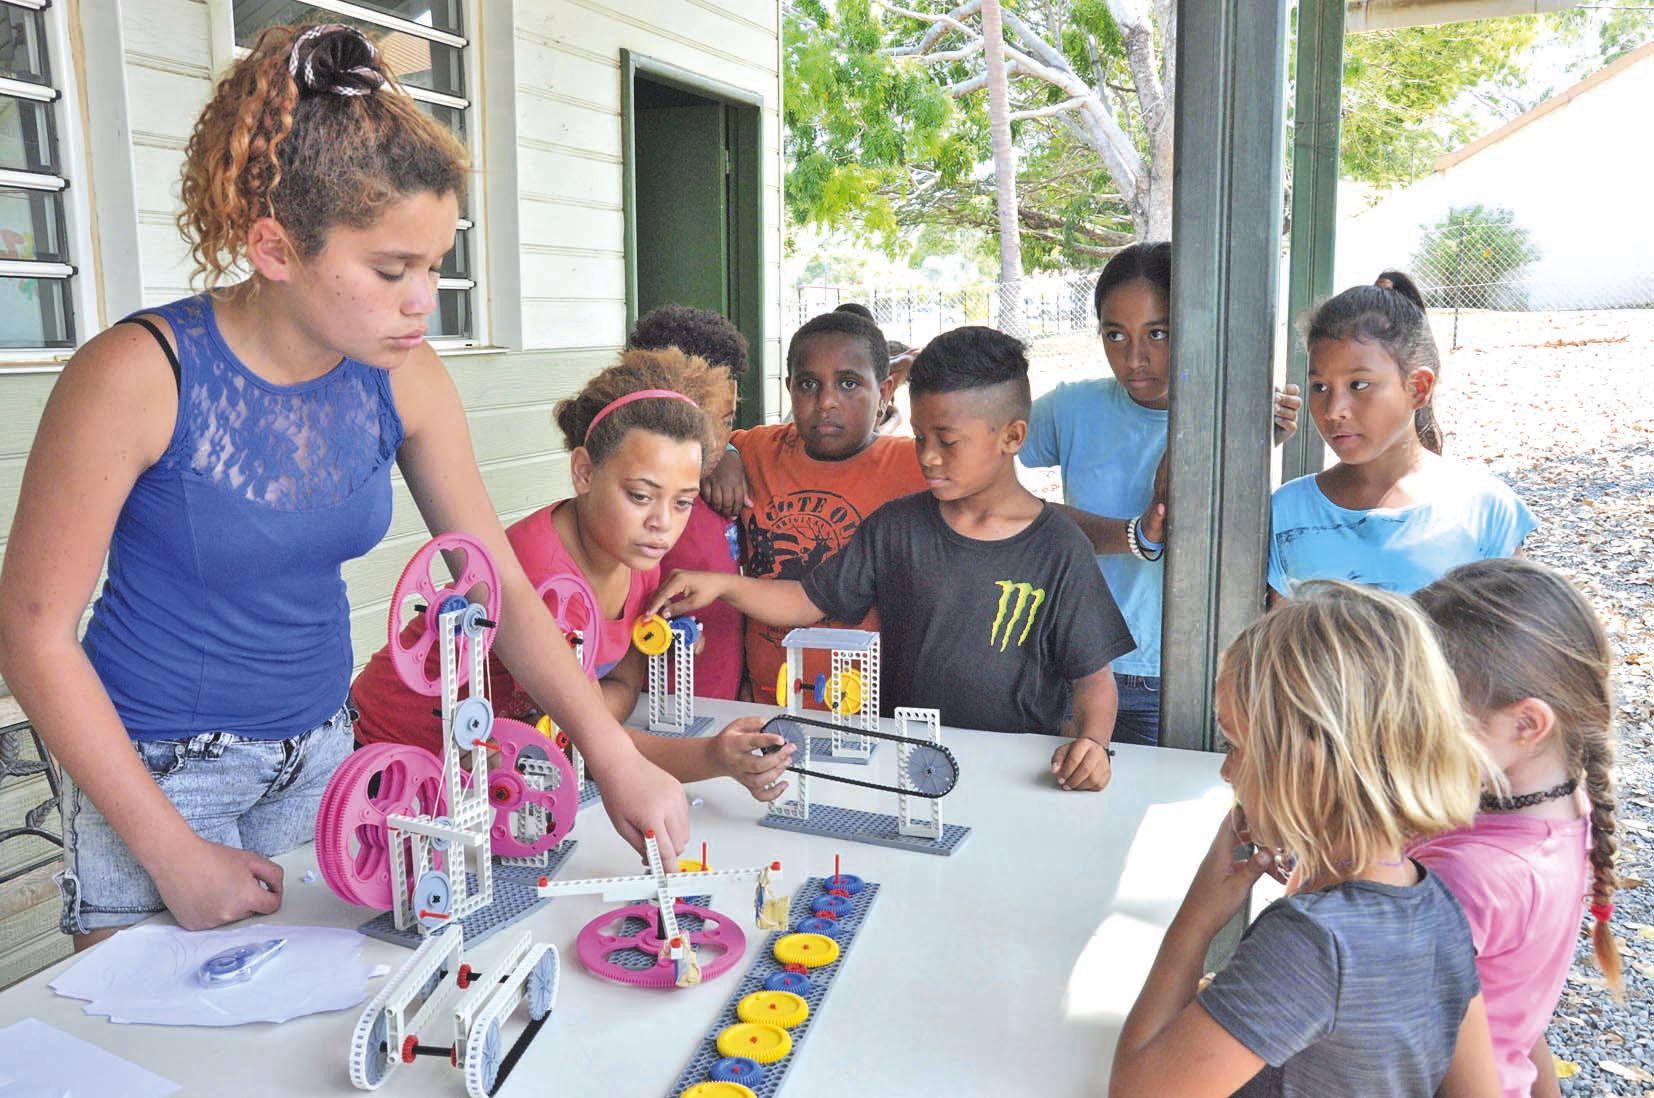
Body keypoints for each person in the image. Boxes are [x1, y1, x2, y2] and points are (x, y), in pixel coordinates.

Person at [0, 24, 684, 947]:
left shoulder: (401, 375)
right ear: (276, 248)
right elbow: (31, 631)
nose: (425, 302)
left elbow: (497, 586)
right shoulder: (139, 373)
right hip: (156, 773)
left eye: (437, 265)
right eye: (392, 270)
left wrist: (614, 757)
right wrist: (168, 850)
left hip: (327, 758)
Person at [650, 326, 1135, 792]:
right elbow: (806, 599)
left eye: (948, 441)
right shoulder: (896, 526)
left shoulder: (1059, 549)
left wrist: (1094, 744)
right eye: (921, 437)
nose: (928, 457)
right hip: (903, 761)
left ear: (1012, 437)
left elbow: (1093, 680)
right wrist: (723, 586)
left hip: (1019, 773)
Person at [350, 348, 794, 802]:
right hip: (387, 756)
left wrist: (591, 712)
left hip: (491, 769)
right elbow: (585, 742)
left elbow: (613, 692)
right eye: (641, 495)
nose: (663, 522)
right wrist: (712, 757)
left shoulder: (635, 553)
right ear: (584, 472)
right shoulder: (539, 571)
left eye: (682, 501)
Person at [1111, 581, 1500, 1097]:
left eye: (1235, 745)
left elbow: (1139, 1091)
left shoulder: (1311, 944)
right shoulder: (1438, 907)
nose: (1227, 772)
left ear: (1307, 764)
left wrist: (1197, 918)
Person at [1020, 242, 1301, 745]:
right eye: (1115, 335)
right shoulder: (1072, 408)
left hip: (1185, 676)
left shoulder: (1232, 418)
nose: (1135, 358)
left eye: (1159, 333)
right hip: (1079, 670)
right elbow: (985, 459)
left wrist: (1254, 445)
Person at [1413, 558, 1622, 1098]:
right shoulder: (1567, 810)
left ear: (1525, 724)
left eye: (1428, 711)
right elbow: (1516, 1019)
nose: (1404, 727)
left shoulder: (1469, 877)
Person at [701, 311, 927, 706]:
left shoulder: (915, 466)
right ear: (789, 388)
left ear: (886, 390)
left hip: (876, 709)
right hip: (768, 700)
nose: (825, 402)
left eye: (848, 384)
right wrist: (724, 454)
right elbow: (702, 437)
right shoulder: (758, 451)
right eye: (808, 384)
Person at [1269, 271, 1536, 600]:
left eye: (1359, 385)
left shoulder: (1483, 508)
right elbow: (1273, 645)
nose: (1334, 409)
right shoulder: (1288, 512)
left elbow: (1509, 643)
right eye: (1319, 387)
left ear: (1418, 388)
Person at [628, 305, 751, 701]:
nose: (714, 440)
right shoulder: (631, 502)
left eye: (727, 421)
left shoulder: (722, 479)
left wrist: (731, 451)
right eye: (701, 423)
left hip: (723, 698)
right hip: (650, 704)